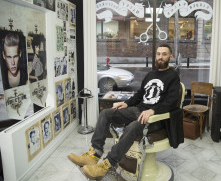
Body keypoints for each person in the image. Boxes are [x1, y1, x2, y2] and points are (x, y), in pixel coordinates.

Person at [68, 44, 180, 179]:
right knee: (106, 113)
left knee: (132, 127)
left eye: (164, 54)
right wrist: (126, 103)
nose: (160, 57)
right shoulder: (151, 74)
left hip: (155, 118)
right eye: (158, 54)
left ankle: (107, 164)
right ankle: (94, 154)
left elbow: (172, 101)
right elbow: (139, 95)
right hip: (138, 110)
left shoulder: (173, 76)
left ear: (170, 57)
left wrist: (152, 110)